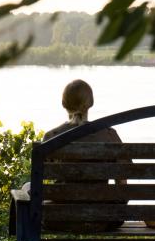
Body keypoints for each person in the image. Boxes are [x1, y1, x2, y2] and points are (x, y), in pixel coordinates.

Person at [43, 79, 128, 231]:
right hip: (104, 219)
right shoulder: (110, 136)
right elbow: (123, 182)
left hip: (59, 219)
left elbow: (42, 179)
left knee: (27, 187)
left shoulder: (51, 137)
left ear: (63, 104)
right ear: (91, 103)